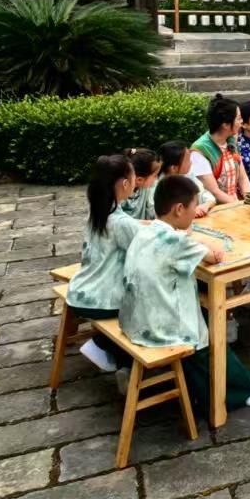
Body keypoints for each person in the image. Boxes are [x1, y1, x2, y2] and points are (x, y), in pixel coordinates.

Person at [119, 173, 250, 413]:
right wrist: (197, 236)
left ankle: (204, 390)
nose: (195, 211)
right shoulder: (176, 241)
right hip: (160, 327)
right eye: (194, 205)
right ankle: (248, 389)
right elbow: (216, 256)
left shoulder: (146, 230)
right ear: (178, 209)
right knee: (211, 326)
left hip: (136, 318)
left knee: (204, 316)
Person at [68, 153, 143, 373]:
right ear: (126, 184)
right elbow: (150, 251)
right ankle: (102, 345)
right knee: (153, 302)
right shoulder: (121, 223)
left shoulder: (98, 211)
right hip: (103, 301)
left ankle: (122, 365)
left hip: (80, 291)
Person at [189, 95, 250, 207]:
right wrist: (240, 206)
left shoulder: (231, 141)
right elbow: (214, 192)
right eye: (238, 118)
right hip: (215, 210)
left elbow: (243, 178)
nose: (242, 122)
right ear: (226, 125)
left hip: (235, 206)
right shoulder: (199, 151)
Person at [157, 140, 213, 216]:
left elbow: (205, 195)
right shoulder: (157, 186)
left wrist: (205, 205)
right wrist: (191, 212)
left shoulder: (188, 175)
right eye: (187, 160)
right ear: (174, 168)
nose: (191, 162)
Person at [118, 148, 161, 220]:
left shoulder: (147, 188)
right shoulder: (118, 193)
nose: (157, 178)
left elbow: (152, 212)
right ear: (139, 180)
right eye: (155, 175)